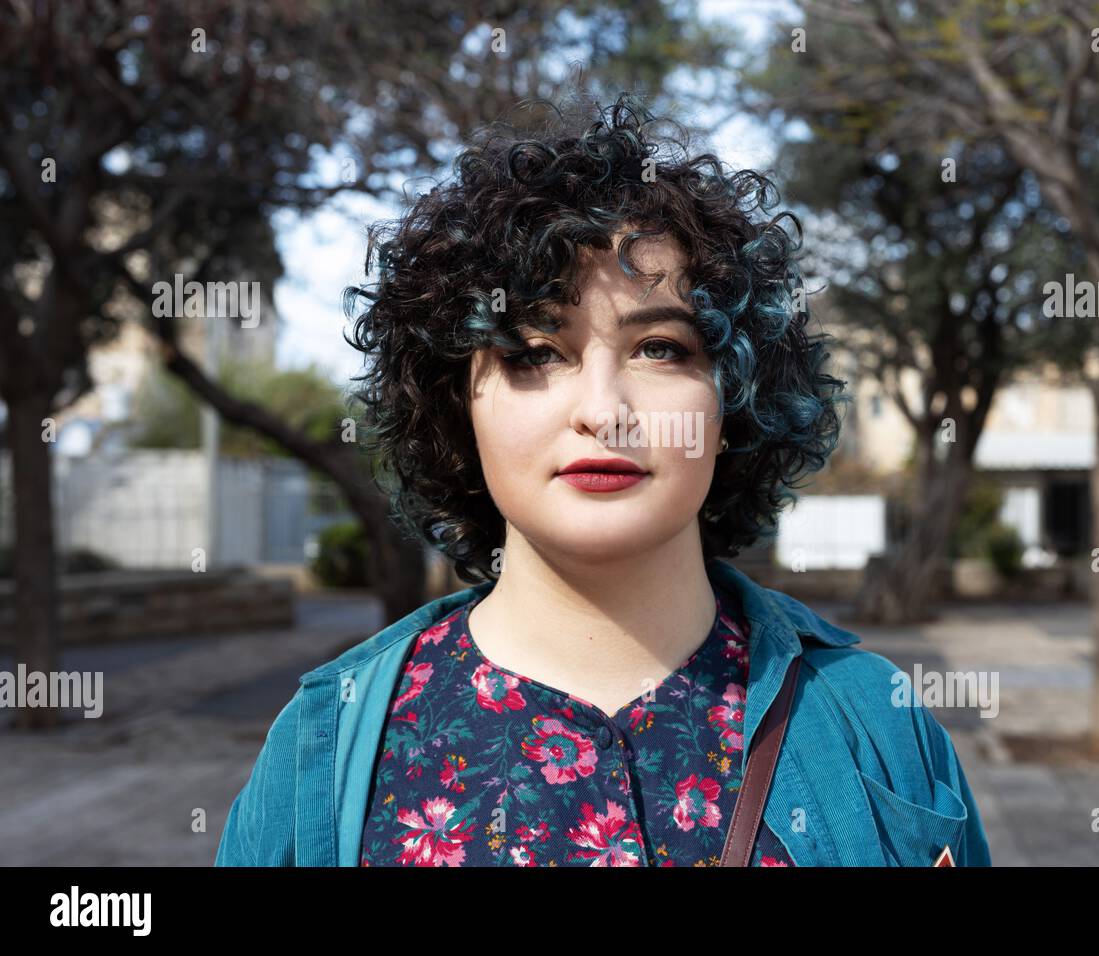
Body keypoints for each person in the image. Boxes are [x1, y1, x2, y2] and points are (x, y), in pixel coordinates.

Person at [214, 92, 992, 868]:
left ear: (735, 399)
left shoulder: (877, 725)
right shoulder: (326, 748)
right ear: (459, 406)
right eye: (535, 352)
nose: (603, 411)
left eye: (660, 348)